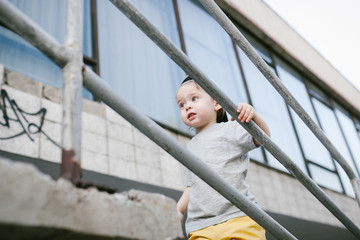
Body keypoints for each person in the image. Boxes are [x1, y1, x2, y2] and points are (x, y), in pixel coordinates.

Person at [176, 76, 270, 240]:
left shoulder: (231, 129)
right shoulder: (190, 146)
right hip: (201, 226)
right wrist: (177, 208)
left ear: (217, 103)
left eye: (194, 98)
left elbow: (263, 137)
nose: (187, 106)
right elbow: (191, 186)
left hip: (239, 217)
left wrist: (253, 116)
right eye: (181, 104)